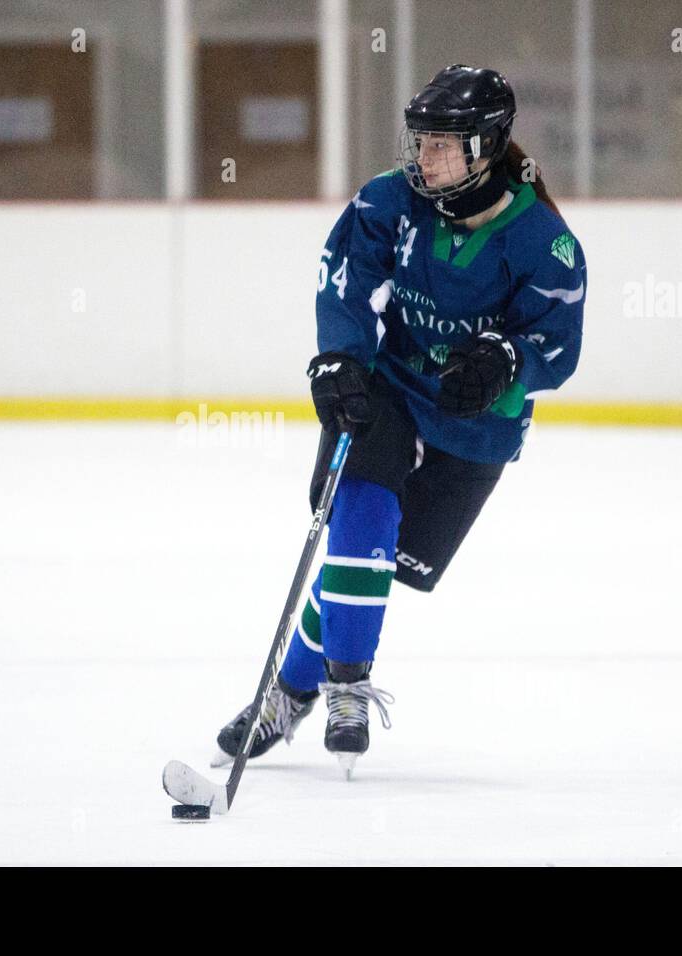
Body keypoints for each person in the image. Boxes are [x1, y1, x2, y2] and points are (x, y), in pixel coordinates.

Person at [213, 64, 586, 777]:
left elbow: (558, 348)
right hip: (390, 389)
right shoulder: (389, 202)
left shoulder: (543, 241)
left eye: (444, 145)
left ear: (487, 147)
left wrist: (508, 360)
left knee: (382, 564)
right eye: (420, 142)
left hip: (478, 427)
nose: (424, 158)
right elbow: (347, 278)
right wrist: (341, 358)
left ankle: (291, 690)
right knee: (361, 510)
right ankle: (347, 685)